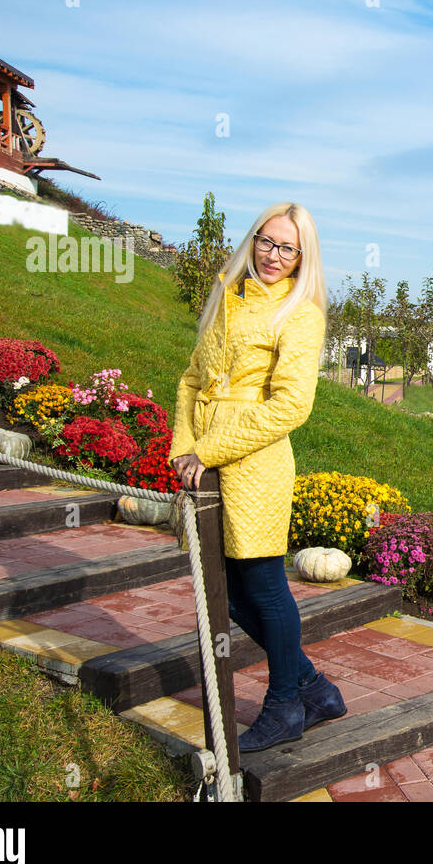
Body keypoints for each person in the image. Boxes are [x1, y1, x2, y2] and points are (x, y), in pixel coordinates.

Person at [167, 202, 346, 753]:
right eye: (267, 242)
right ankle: (313, 687)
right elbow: (193, 377)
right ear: (253, 241)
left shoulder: (300, 312)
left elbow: (291, 406)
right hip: (205, 455)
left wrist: (213, 449)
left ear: (302, 257)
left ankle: (285, 704)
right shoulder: (228, 292)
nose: (274, 256)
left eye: (288, 248)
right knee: (227, 591)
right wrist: (183, 449)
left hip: (256, 463)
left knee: (262, 589)